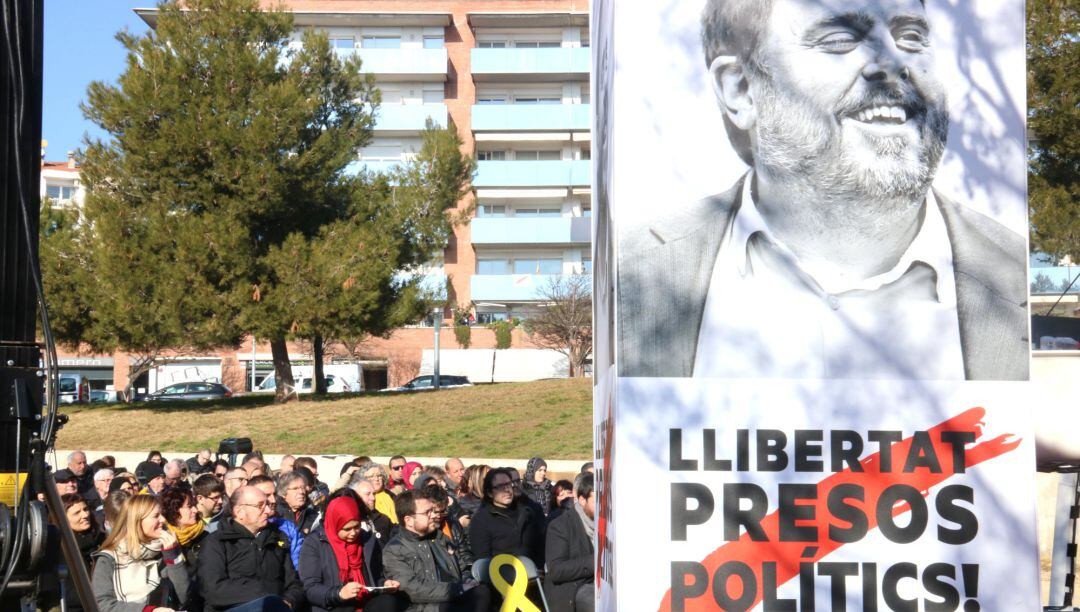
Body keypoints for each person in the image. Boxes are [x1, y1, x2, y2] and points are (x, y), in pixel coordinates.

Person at [617, 0, 1029, 381]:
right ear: (740, 90)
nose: (894, 61)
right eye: (839, 40)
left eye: (911, 38)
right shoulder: (638, 271)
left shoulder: (1011, 271)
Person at [197, 486, 305, 612]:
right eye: (260, 506)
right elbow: (212, 590)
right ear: (240, 511)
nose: (268, 510)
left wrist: (289, 601)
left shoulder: (276, 538)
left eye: (268, 505)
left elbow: (293, 583)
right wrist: (265, 595)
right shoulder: (217, 542)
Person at [383, 490, 491, 612]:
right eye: (427, 513)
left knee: (482, 592)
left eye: (433, 510)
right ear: (409, 520)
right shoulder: (394, 550)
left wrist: (468, 581)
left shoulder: (440, 538)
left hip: (456, 597)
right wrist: (458, 589)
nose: (434, 515)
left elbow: (462, 568)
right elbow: (414, 589)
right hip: (429, 606)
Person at [298, 495, 402, 612]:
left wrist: (385, 584)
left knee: (389, 602)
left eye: (357, 526)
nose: (353, 533)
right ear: (335, 524)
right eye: (347, 529)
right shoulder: (314, 544)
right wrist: (339, 594)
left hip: (366, 602)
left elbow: (376, 576)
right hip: (334, 606)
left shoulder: (366, 539)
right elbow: (310, 588)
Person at [91, 494, 189, 612]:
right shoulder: (109, 558)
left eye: (161, 514)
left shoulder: (166, 549)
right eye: (156, 516)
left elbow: (184, 597)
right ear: (136, 521)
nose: (163, 520)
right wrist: (148, 610)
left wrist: (172, 557)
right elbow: (103, 605)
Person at [468, 468, 545, 567]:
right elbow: (483, 559)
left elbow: (539, 545)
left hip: (532, 574)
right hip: (500, 577)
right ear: (490, 493)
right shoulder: (481, 520)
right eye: (500, 487)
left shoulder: (526, 512)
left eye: (509, 484)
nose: (507, 490)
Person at [544, 473, 595, 612]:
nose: (603, 505)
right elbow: (556, 570)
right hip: (572, 589)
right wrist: (595, 563)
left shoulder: (610, 525)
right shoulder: (560, 525)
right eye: (597, 500)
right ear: (582, 500)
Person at [160, 486, 209, 609]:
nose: (195, 510)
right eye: (189, 506)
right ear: (174, 511)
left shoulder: (206, 536)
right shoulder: (163, 540)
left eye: (194, 505)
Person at [60, 493, 105, 611]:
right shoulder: (61, 549)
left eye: (85, 509)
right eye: (76, 513)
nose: (85, 515)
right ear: (63, 518)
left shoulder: (102, 540)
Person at [348, 471, 394, 543]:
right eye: (367, 494)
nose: (373, 498)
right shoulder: (349, 521)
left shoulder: (383, 520)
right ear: (356, 495)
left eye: (373, 494)